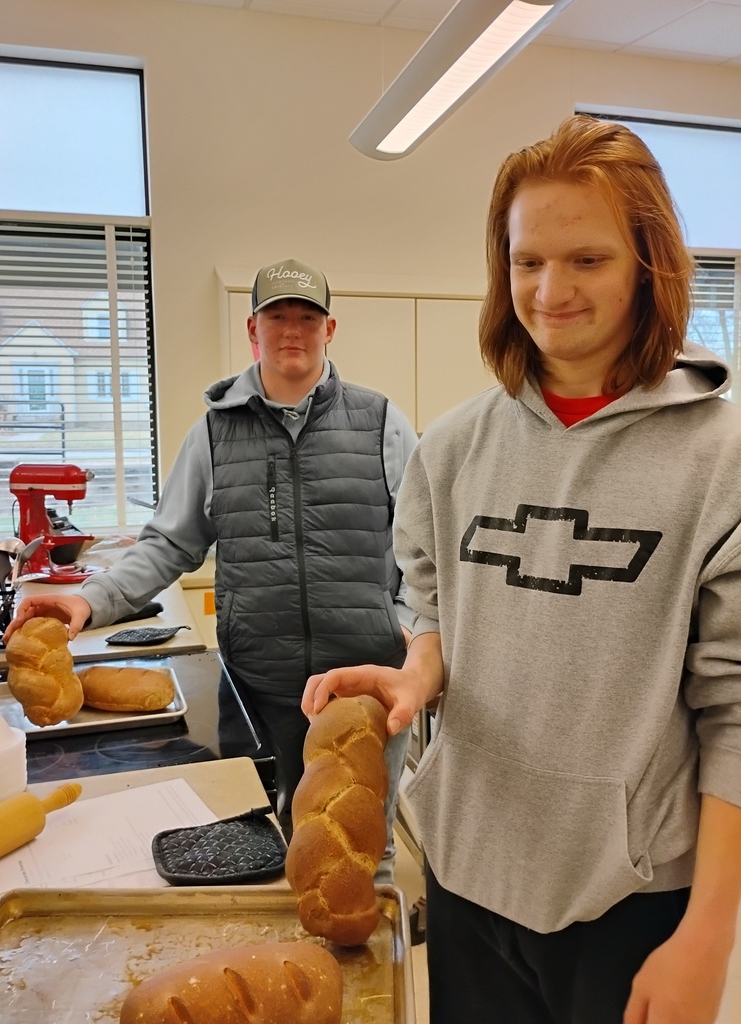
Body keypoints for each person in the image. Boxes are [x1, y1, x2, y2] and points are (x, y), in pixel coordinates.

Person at [303, 116, 741, 1024]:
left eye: (587, 259)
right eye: (526, 260)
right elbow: (432, 603)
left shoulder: (720, 461)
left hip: (629, 900)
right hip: (464, 873)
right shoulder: (455, 445)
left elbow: (735, 713)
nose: (550, 290)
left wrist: (708, 932)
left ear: (648, 265)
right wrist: (417, 673)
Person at [5, 257, 418, 881]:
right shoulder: (214, 432)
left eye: (307, 317)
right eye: (276, 316)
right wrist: (88, 600)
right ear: (253, 329)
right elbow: (170, 543)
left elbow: (423, 547)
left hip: (365, 680)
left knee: (364, 848)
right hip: (264, 682)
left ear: (330, 329)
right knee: (281, 840)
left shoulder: (382, 421)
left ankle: (371, 957)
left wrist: (412, 624)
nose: (292, 331)